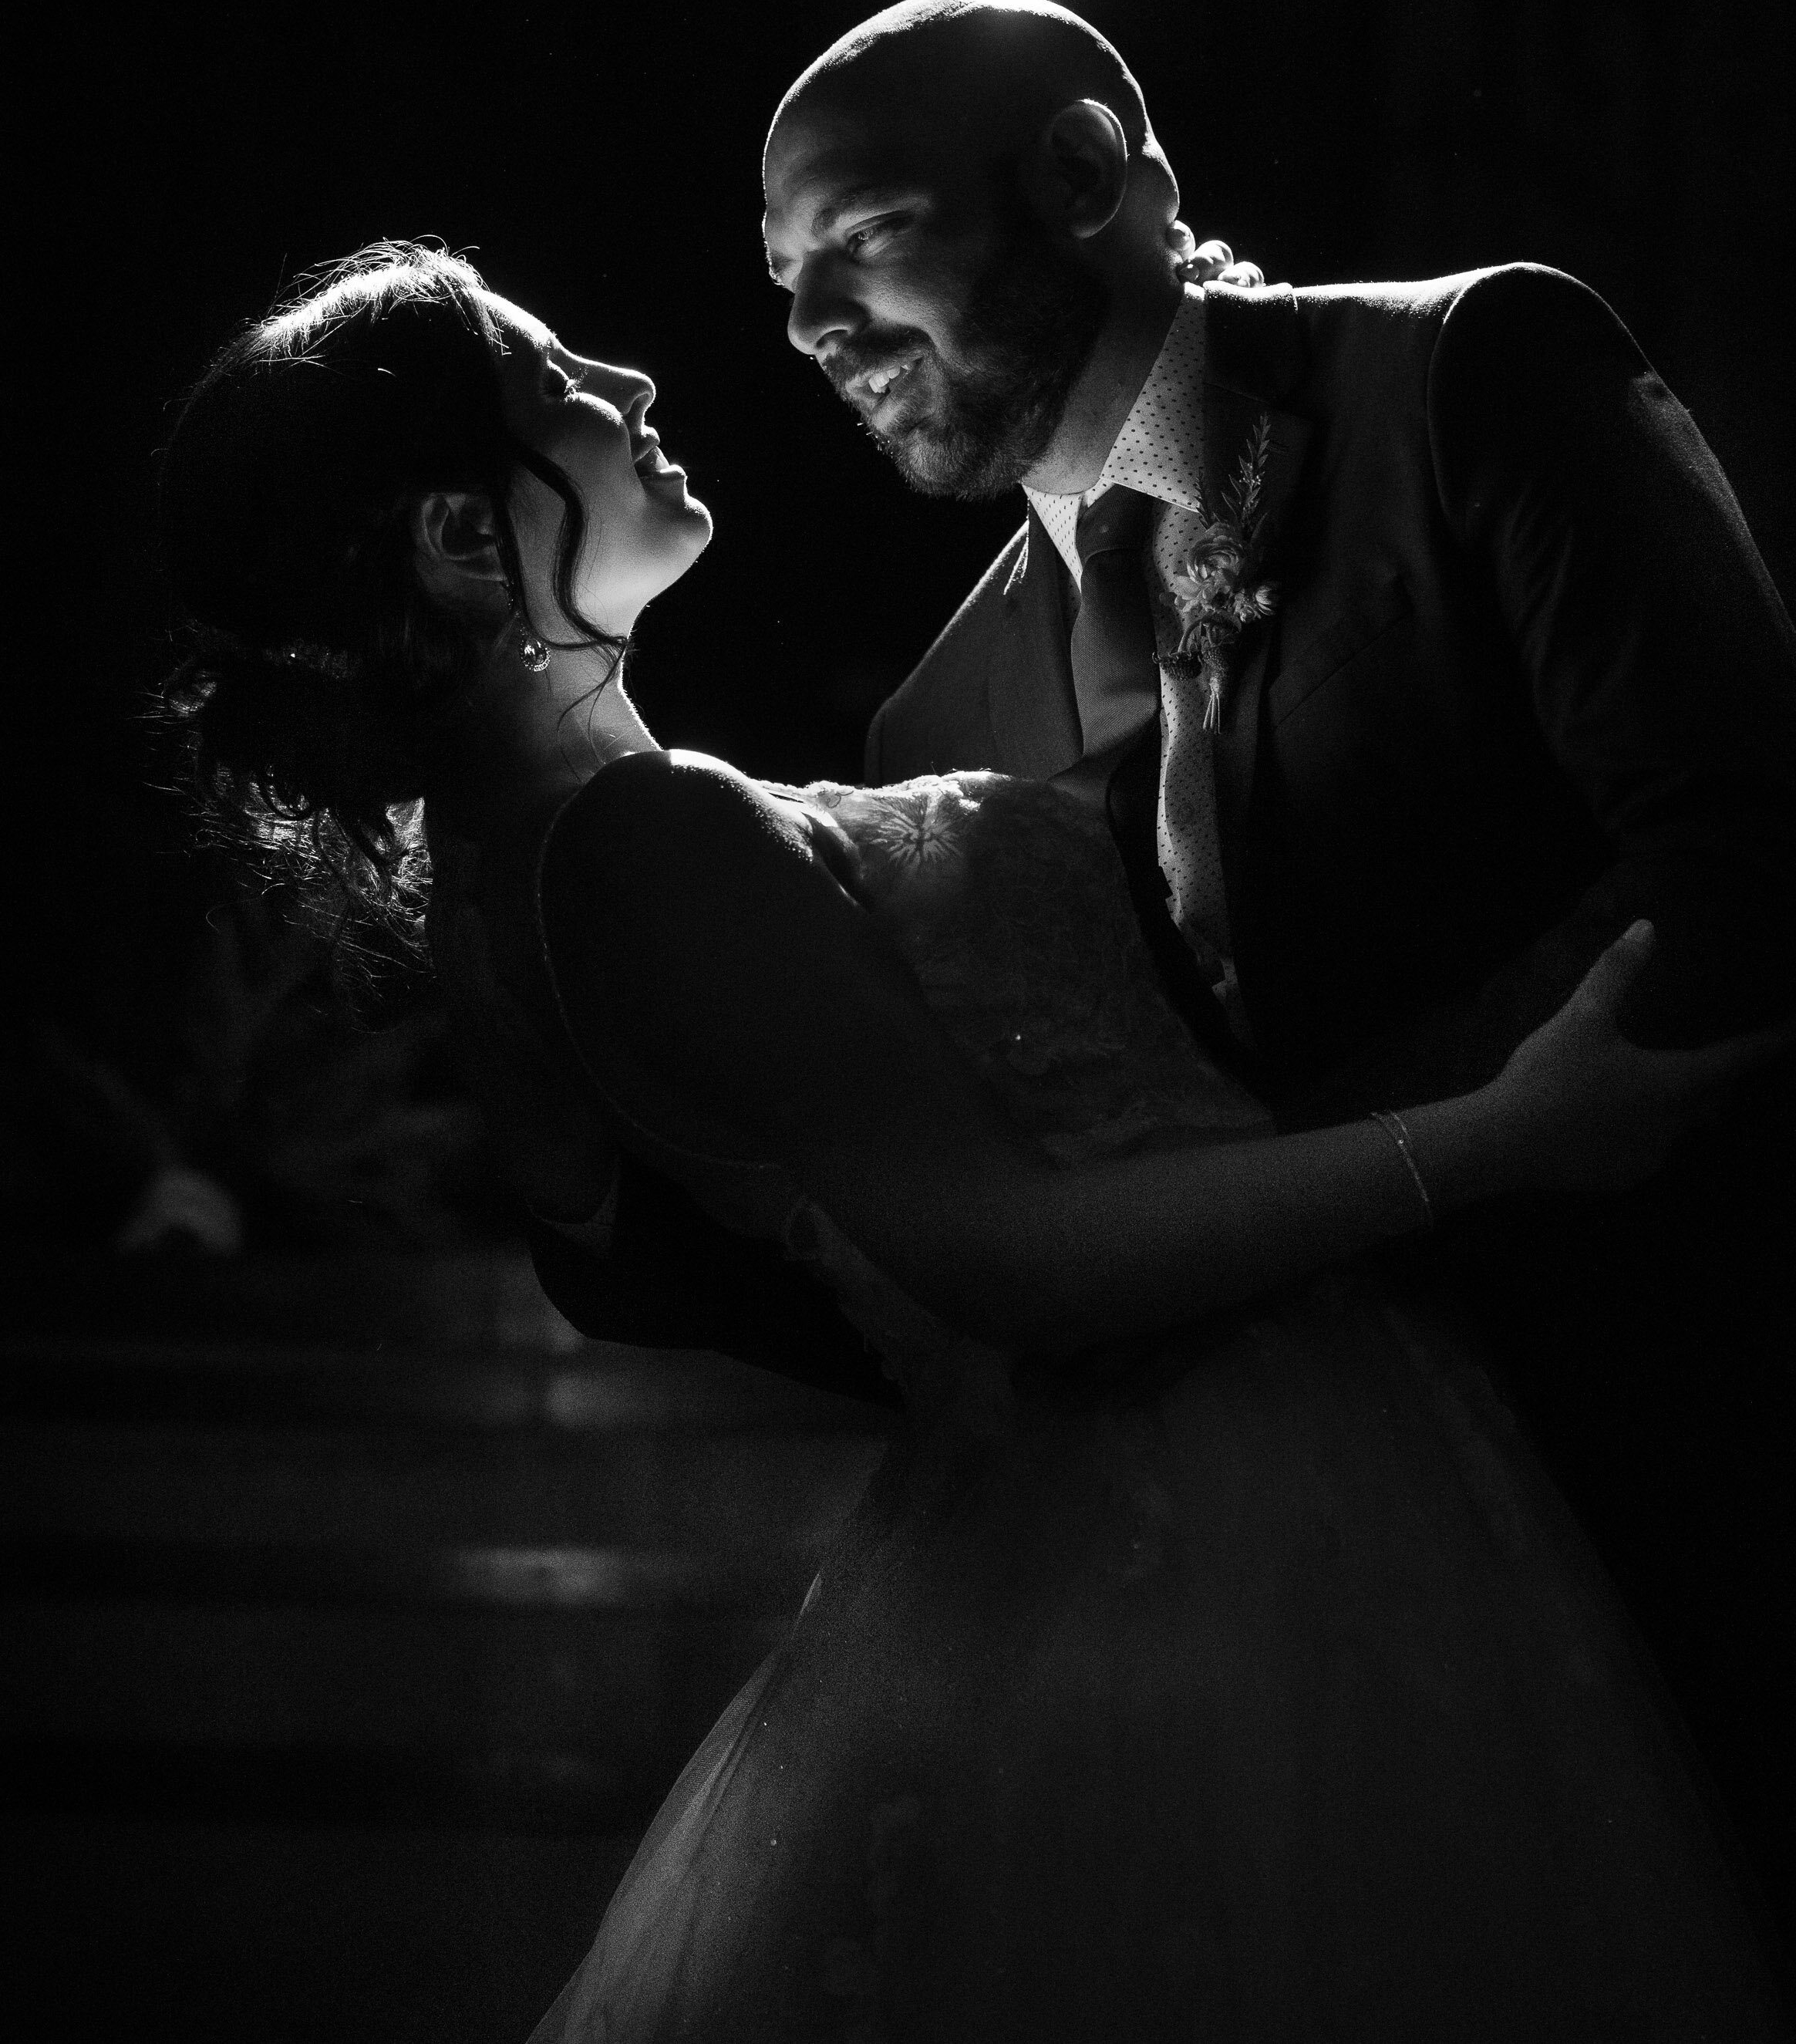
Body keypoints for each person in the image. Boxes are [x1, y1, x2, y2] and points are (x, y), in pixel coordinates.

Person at [157, 243, 1793, 2040]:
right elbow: (1009, 1255)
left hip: (1065, 1522)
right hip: (1213, 1508)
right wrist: (1496, 1133)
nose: (632, 386)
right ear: (466, 543)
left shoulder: (508, 876)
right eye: (563, 387)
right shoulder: (638, 839)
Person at [758, 0, 1796, 1904]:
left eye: (868, 237)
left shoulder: (1469, 376)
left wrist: (1334, 1189)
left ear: (1087, 175)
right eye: (783, 279)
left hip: (1676, 1445)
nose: (815, 325)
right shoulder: (938, 725)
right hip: (1278, 1597)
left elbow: (1744, 853)